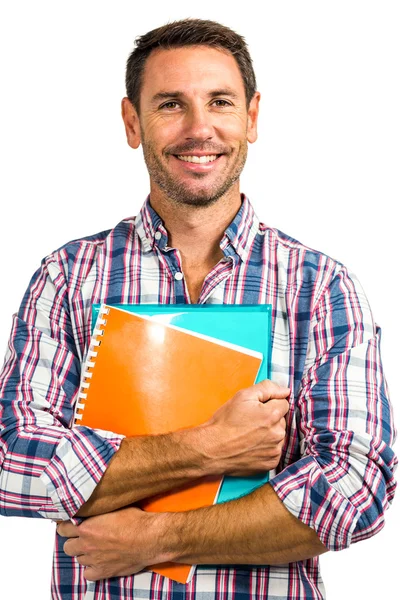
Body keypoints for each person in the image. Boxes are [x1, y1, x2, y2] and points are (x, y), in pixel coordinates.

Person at [0, 17, 397, 600]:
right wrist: (212, 447)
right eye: (170, 105)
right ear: (132, 123)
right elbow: (12, 463)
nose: (199, 128)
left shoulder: (322, 288)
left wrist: (157, 538)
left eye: (220, 101)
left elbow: (355, 492)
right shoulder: (67, 278)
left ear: (252, 117)